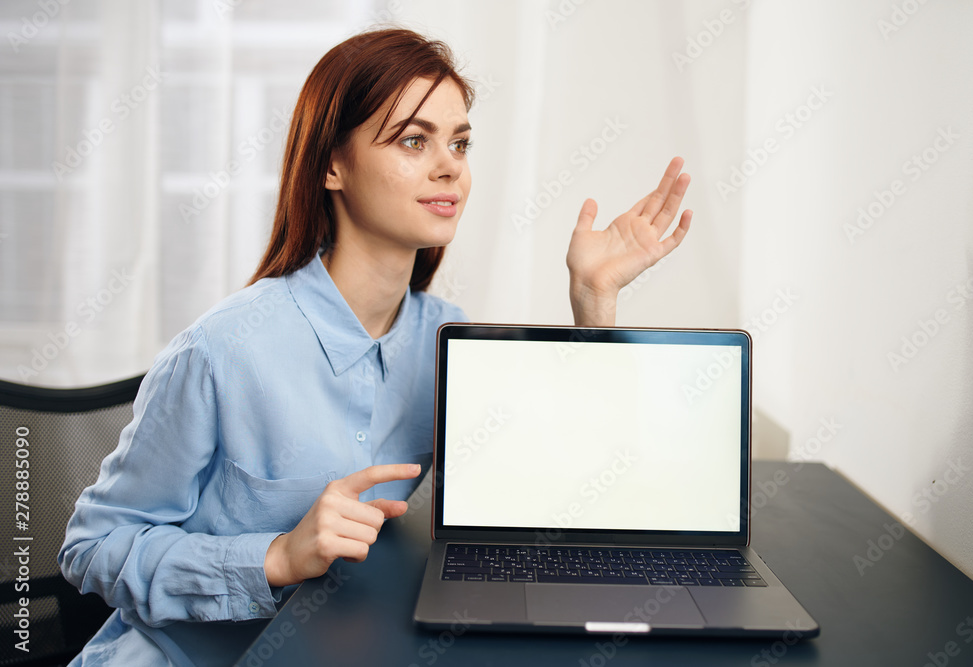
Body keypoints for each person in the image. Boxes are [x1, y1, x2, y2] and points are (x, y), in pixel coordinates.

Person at [58, 27, 692, 666]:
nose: (450, 166)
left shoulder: (446, 337)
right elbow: (92, 547)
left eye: (460, 143)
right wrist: (276, 555)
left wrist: (593, 301)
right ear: (333, 164)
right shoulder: (223, 350)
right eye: (413, 140)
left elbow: (563, 491)